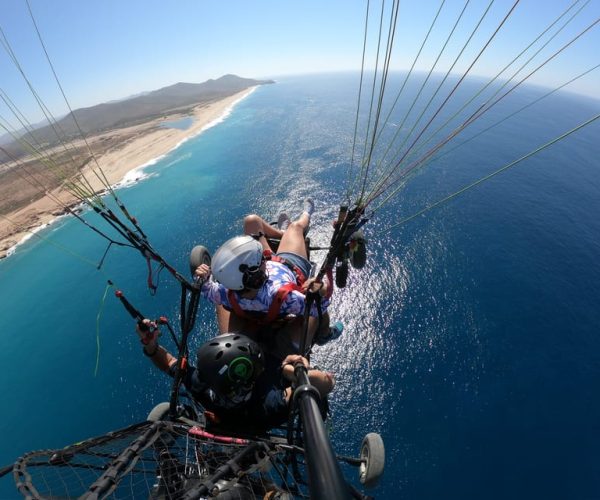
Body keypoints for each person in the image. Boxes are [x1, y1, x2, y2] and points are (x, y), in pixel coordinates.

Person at [195, 198, 343, 356]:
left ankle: (282, 234)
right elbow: (318, 309)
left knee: (251, 222)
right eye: (261, 259)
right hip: (288, 266)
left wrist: (203, 278)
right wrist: (322, 290)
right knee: (296, 227)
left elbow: (207, 289)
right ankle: (325, 333)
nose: (264, 257)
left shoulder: (225, 293)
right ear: (255, 274)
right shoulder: (286, 297)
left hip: (257, 302)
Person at [137, 320, 334, 432]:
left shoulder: (204, 386)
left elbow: (170, 363)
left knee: (233, 309)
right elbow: (326, 382)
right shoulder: (267, 407)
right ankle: (324, 332)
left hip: (264, 357)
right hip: (279, 358)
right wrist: (290, 369)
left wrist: (150, 345)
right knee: (309, 319)